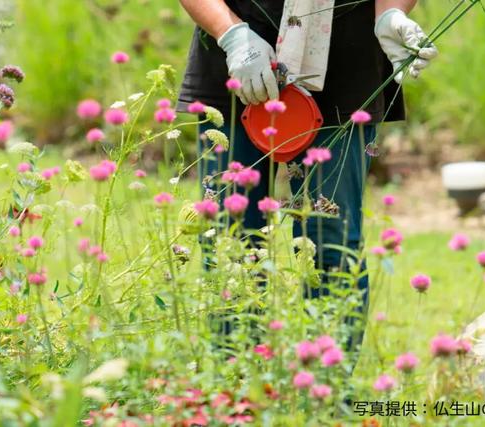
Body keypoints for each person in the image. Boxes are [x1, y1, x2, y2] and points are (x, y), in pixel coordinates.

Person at [176, 0, 437, 349]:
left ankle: (326, 392)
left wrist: (390, 12)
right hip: (236, 50)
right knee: (230, 238)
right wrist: (231, 34)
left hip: (345, 56)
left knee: (330, 242)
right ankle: (233, 391)